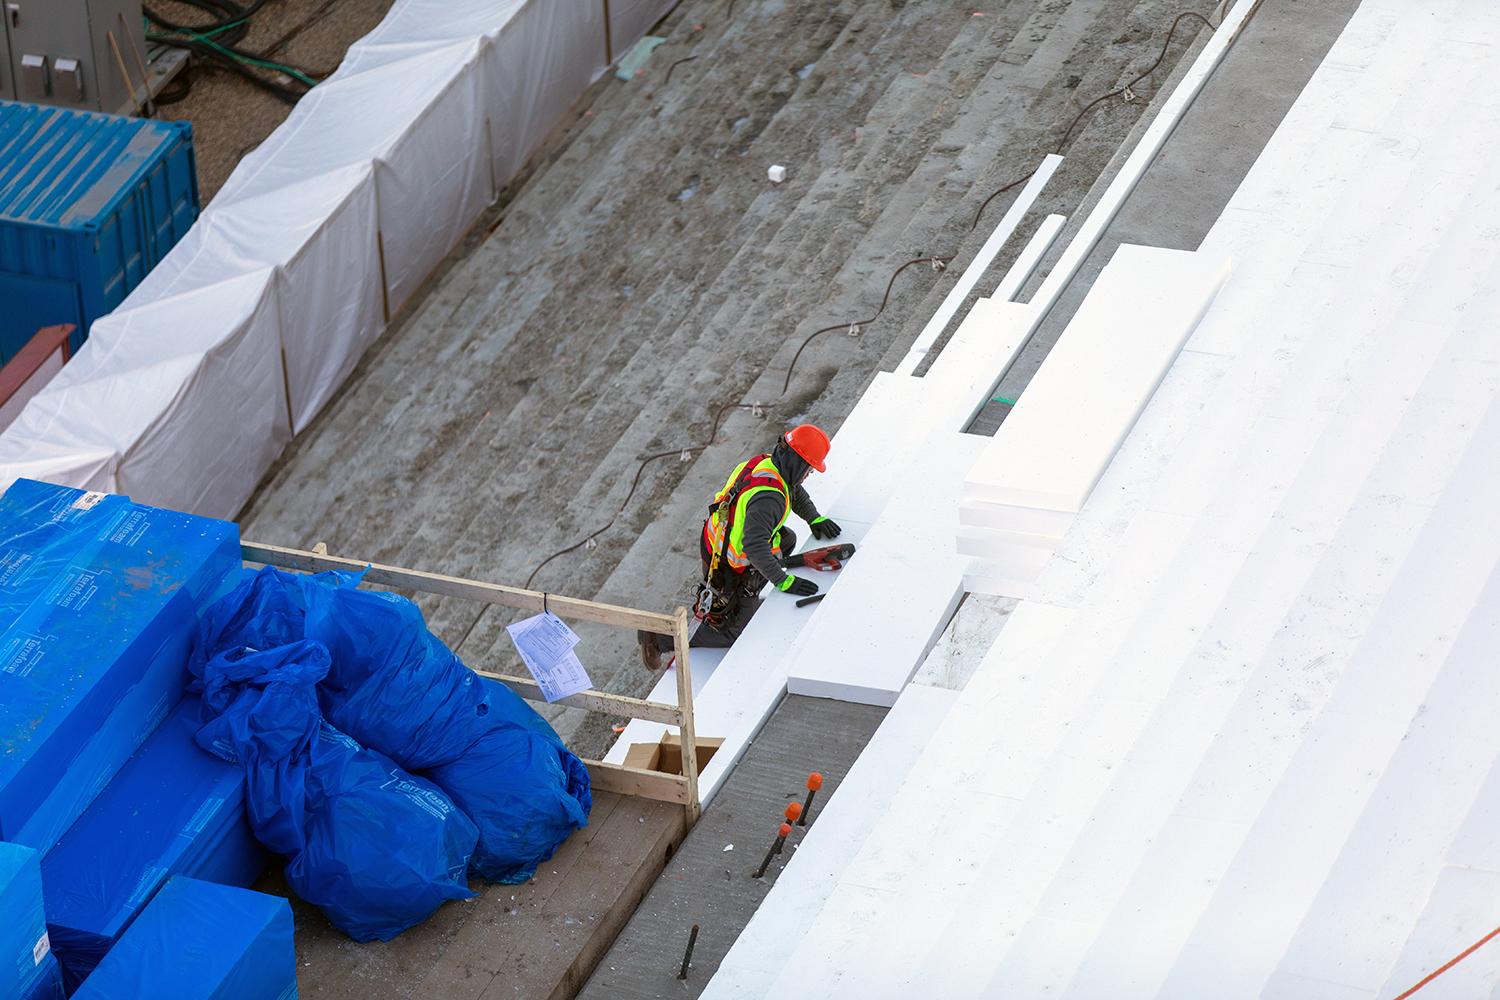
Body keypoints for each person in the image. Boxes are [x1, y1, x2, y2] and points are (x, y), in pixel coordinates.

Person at [638, 424, 842, 668]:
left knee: (787, 539)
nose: (809, 474)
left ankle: (757, 579)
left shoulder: (766, 464)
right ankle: (658, 637)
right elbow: (754, 547)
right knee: (734, 632)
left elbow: (793, 491)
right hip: (727, 563)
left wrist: (813, 517)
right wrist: (783, 580)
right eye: (808, 468)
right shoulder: (768, 499)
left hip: (716, 538)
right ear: (797, 462)